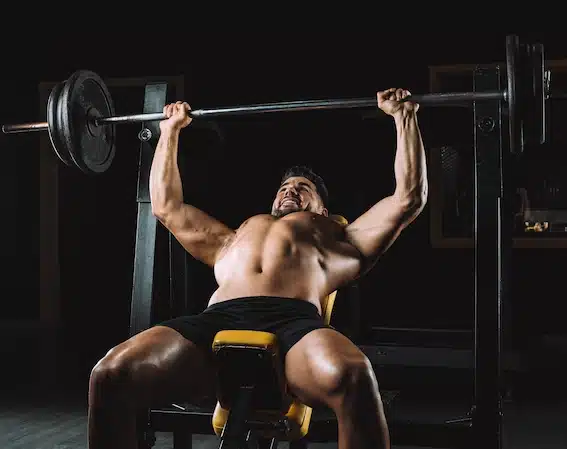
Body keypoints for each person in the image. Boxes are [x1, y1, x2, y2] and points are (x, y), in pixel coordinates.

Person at [87, 88, 428, 449]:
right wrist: (170, 130)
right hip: (216, 320)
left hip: (294, 324)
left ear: (322, 212)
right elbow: (166, 206)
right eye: (284, 187)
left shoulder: (340, 238)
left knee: (354, 376)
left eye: (303, 188)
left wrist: (404, 117)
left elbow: (409, 197)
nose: (290, 191)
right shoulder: (233, 237)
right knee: (110, 375)